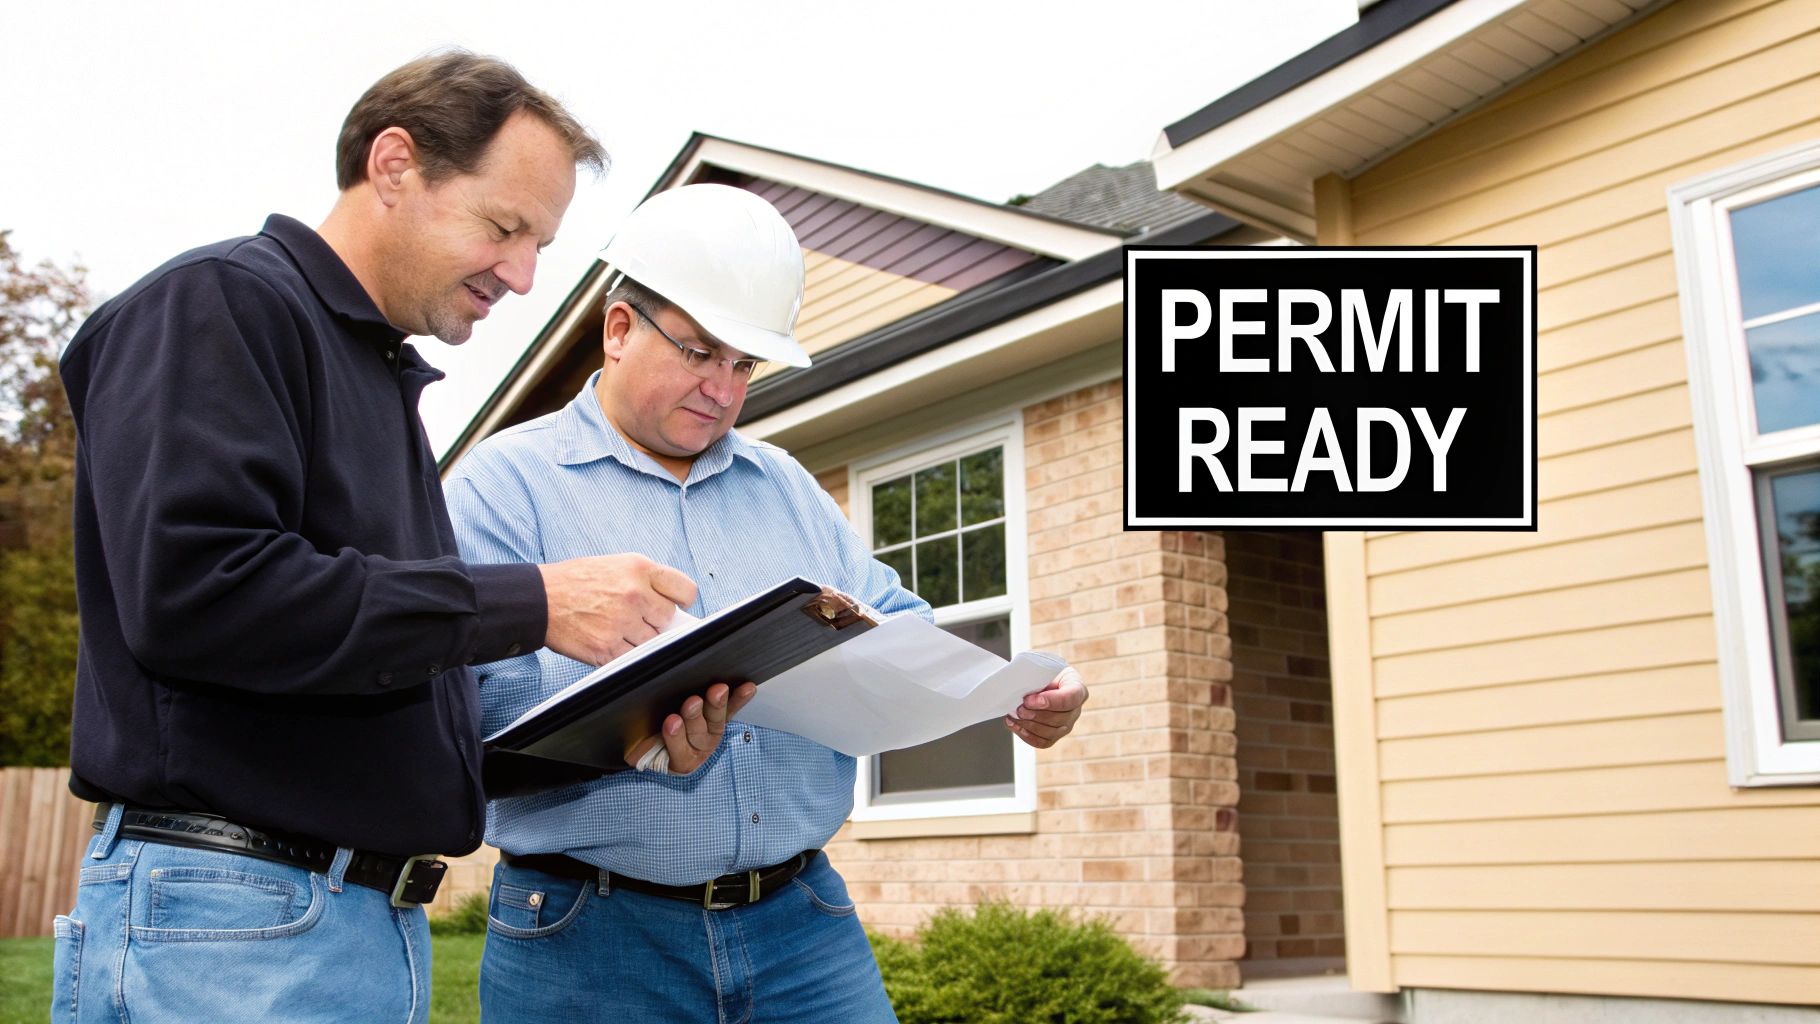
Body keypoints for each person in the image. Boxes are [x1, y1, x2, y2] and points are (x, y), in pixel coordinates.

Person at [53, 52, 696, 1024]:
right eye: (504, 227)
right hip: (235, 925)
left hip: (333, 927)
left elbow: (378, 699)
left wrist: (622, 736)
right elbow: (200, 597)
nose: (522, 276)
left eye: (541, 246)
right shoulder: (223, 305)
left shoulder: (373, 374)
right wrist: (539, 600)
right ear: (394, 164)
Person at [446, 183, 1089, 1023]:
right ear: (618, 328)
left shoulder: (786, 486)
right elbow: (464, 713)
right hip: (590, 938)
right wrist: (635, 723)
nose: (721, 388)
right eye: (699, 351)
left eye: (743, 364)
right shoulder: (501, 487)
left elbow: (899, 623)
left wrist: (1009, 691)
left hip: (802, 931)